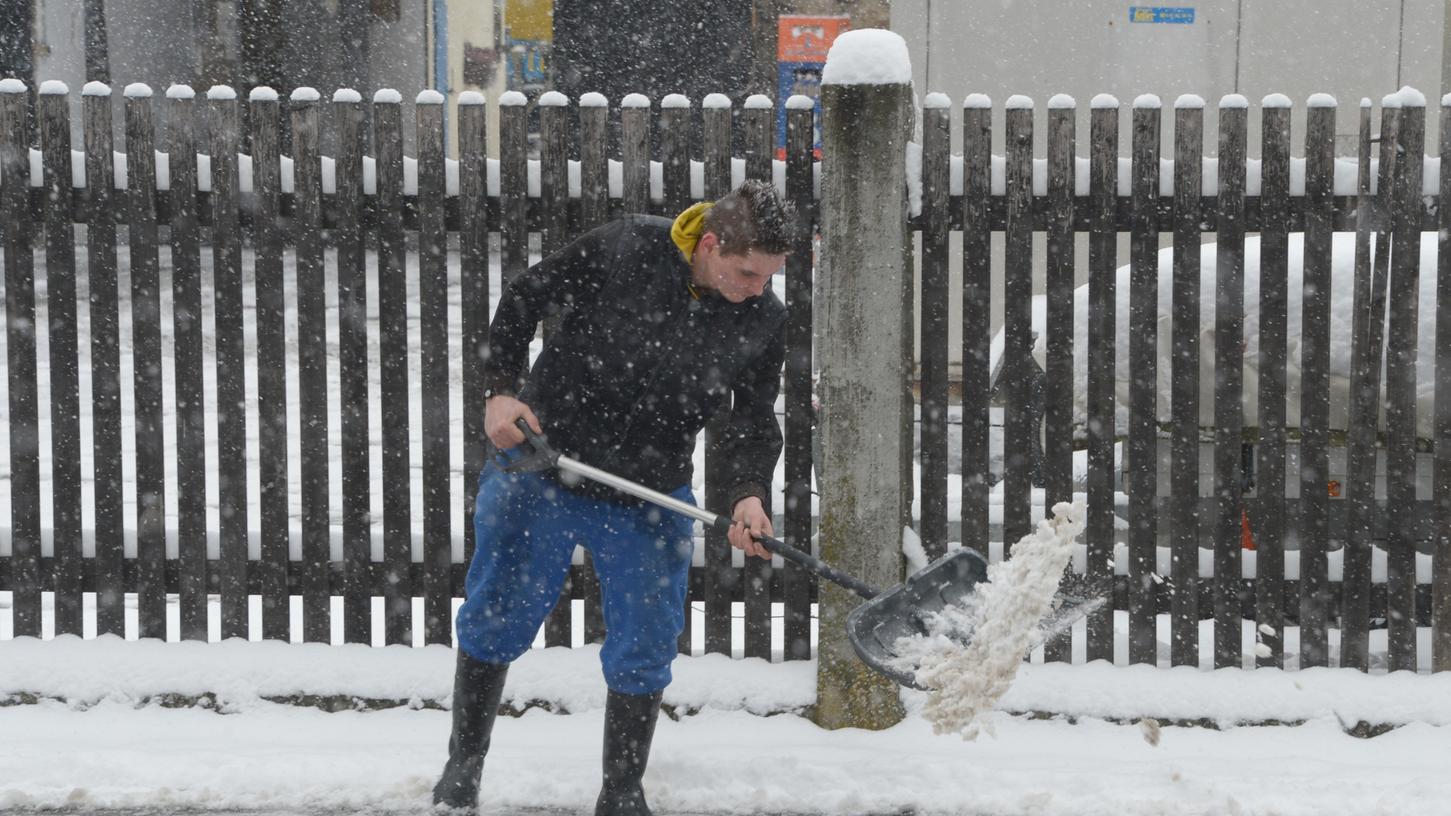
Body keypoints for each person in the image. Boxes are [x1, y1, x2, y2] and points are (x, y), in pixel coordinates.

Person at [433, 179, 795, 816]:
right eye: (747, 273)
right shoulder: (625, 247)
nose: (756, 289)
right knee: (499, 615)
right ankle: (463, 765)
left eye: (768, 277)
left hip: (651, 491)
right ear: (709, 245)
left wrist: (746, 493)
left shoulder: (762, 317)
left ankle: (622, 792)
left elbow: (751, 418)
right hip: (543, 466)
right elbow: (524, 297)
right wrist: (500, 390)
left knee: (646, 645)